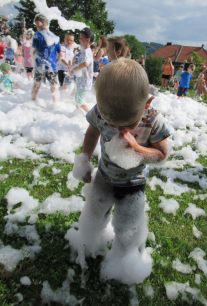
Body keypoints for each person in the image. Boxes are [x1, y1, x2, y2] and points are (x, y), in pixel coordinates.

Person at [71, 58, 171, 285]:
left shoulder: (153, 120)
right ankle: (88, 241)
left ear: (147, 104)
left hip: (133, 184)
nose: (118, 130)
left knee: (129, 226)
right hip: (104, 177)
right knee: (94, 211)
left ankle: (125, 260)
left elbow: (162, 154)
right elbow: (92, 132)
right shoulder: (100, 112)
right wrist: (85, 158)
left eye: (127, 124)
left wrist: (135, 148)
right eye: (111, 123)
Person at [31, 13, 63, 102]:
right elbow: (61, 54)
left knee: (37, 85)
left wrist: (34, 60)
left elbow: (34, 51)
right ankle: (56, 104)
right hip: (52, 66)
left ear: (39, 23)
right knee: (54, 87)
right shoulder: (55, 37)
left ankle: (33, 101)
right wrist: (56, 62)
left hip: (40, 65)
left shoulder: (37, 35)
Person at [70, 27, 94, 113]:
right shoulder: (85, 51)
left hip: (85, 82)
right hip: (82, 81)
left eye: (81, 37)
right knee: (77, 98)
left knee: (80, 101)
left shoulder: (87, 52)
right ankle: (78, 114)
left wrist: (74, 70)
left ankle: (91, 116)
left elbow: (85, 64)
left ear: (87, 40)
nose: (79, 39)